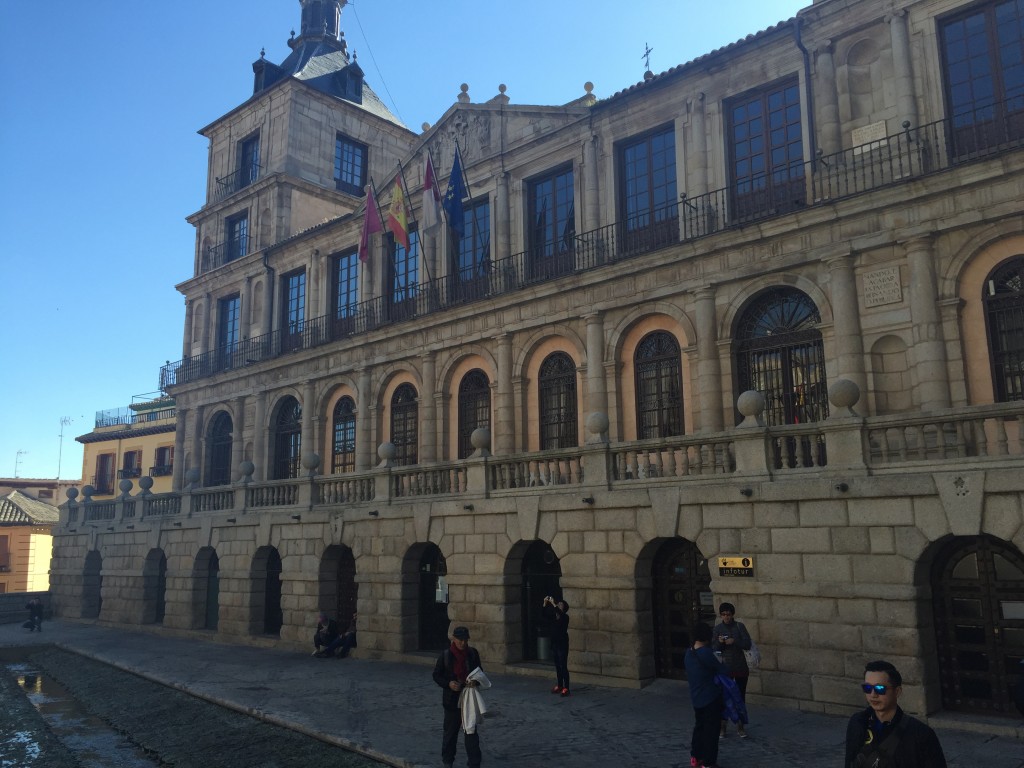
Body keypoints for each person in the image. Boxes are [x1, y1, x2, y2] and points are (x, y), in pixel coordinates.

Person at [844, 660, 948, 768]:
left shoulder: (920, 734)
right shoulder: (858, 722)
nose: (873, 695)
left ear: (897, 691)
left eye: (880, 689)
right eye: (867, 688)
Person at [432, 625, 483, 768]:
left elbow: (480, 672)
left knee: (471, 733)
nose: (463, 643)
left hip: (469, 699)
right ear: (454, 639)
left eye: (465, 640)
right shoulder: (446, 655)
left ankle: (474, 763)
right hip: (452, 701)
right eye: (460, 640)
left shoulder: (472, 654)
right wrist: (448, 684)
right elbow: (436, 675)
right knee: (450, 734)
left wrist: (475, 681)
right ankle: (448, 762)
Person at [684, 622, 728, 768]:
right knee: (711, 731)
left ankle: (695, 757)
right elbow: (722, 669)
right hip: (710, 697)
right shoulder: (706, 653)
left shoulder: (688, 653)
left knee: (699, 728)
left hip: (696, 697)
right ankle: (709, 762)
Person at [712, 601, 751, 738]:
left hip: (740, 667)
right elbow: (715, 649)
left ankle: (740, 726)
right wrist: (721, 643)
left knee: (740, 698)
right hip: (725, 669)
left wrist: (735, 641)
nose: (726, 617)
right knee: (724, 699)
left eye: (728, 614)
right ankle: (723, 727)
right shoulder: (717, 629)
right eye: (723, 615)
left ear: (732, 614)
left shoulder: (740, 627)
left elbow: (747, 644)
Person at [542, 595, 570, 696]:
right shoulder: (554, 617)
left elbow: (560, 614)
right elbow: (544, 615)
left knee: (563, 666)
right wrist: (545, 603)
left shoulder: (565, 617)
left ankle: (566, 687)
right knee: (558, 666)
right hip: (555, 644)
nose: (558, 605)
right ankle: (560, 685)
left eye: (560, 604)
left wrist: (553, 603)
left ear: (564, 608)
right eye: (558, 603)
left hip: (562, 644)